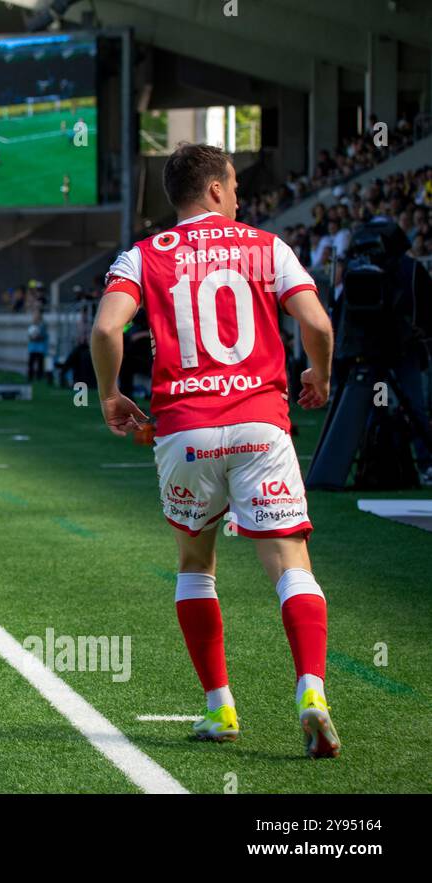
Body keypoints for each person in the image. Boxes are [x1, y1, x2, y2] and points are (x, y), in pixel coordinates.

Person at [90, 141, 340, 758]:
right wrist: (320, 375)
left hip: (186, 430)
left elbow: (104, 328)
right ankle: (311, 691)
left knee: (197, 565)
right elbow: (319, 325)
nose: (238, 196)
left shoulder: (143, 254)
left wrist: (109, 395)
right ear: (215, 190)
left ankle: (219, 707)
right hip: (260, 422)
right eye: (233, 185)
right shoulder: (267, 246)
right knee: (290, 564)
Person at [26, 307, 48, 382]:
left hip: (40, 347)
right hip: (32, 347)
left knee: (40, 363)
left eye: (38, 314)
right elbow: (29, 335)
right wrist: (32, 337)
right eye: (35, 314)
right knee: (31, 363)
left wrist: (38, 337)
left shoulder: (43, 325)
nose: (36, 315)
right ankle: (30, 376)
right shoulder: (31, 325)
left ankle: (39, 377)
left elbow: (44, 335)